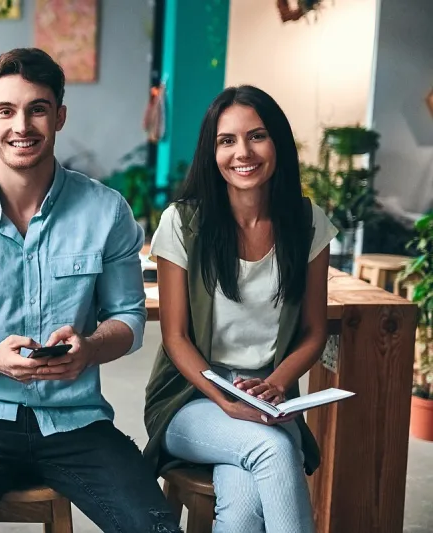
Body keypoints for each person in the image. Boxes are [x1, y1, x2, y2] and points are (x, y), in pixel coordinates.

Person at [0, 48, 182, 533]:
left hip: (76, 419)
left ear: (59, 116)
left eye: (37, 109)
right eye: (6, 111)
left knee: (155, 527)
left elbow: (129, 319)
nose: (22, 126)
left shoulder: (106, 212)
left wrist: (90, 347)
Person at [143, 85, 335, 533]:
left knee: (244, 510)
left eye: (257, 136)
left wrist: (277, 383)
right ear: (212, 152)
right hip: (191, 398)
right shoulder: (183, 223)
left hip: (269, 394)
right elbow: (175, 337)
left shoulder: (308, 223)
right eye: (226, 140)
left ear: (278, 143)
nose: (242, 152)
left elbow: (314, 331)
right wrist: (225, 400)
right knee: (273, 449)